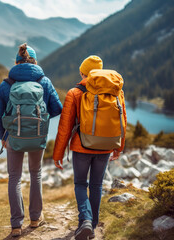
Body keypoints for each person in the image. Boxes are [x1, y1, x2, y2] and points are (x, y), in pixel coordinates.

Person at [52, 56, 127, 240]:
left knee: (80, 184)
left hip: (81, 146)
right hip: (106, 146)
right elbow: (122, 120)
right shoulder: (116, 91)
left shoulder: (75, 92)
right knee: (96, 185)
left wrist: (58, 153)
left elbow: (65, 127)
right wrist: (119, 146)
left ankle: (85, 220)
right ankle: (92, 226)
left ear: (82, 72)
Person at [0, 43, 62, 237]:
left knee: (14, 178)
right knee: (35, 174)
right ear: (35, 62)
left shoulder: (6, 84)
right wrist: (40, 121)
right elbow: (57, 109)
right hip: (37, 137)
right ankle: (35, 219)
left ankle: (16, 225)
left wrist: (3, 137)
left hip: (13, 137)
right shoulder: (44, 81)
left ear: (16, 62)